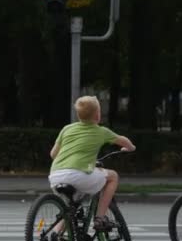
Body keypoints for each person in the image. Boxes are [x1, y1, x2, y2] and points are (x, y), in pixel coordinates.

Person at [49, 96, 135, 230]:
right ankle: (100, 218)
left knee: (71, 210)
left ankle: (54, 238)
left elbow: (53, 154)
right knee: (112, 177)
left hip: (55, 175)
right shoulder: (101, 131)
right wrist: (130, 148)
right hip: (78, 175)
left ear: (78, 115)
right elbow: (122, 140)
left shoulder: (67, 129)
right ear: (97, 115)